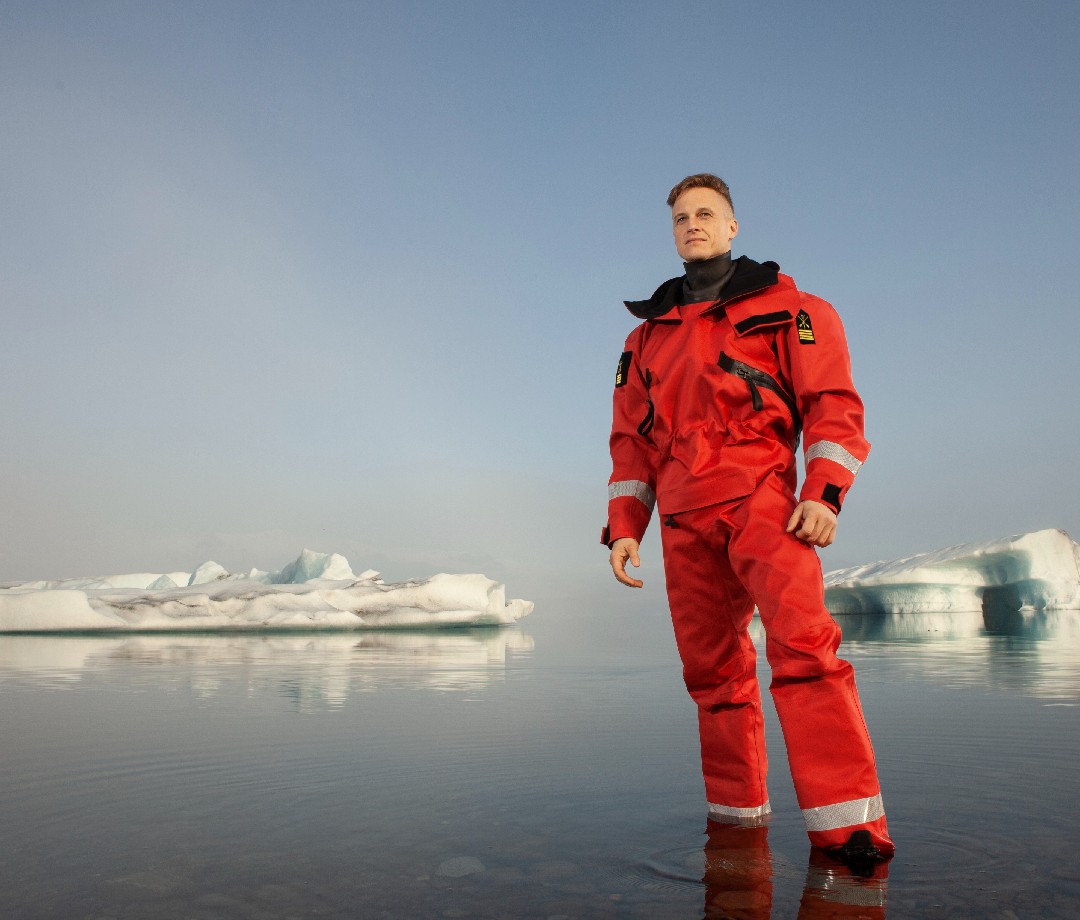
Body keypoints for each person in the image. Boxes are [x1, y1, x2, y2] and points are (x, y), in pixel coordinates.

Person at [602, 173, 893, 862]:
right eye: (680, 217)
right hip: (681, 520)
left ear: (733, 227)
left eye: (705, 214)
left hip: (765, 503)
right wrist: (622, 528)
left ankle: (849, 828)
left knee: (804, 653)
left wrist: (822, 494)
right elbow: (631, 442)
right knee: (712, 675)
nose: (692, 224)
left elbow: (833, 406)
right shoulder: (644, 341)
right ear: (673, 233)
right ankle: (736, 825)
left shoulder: (795, 310)